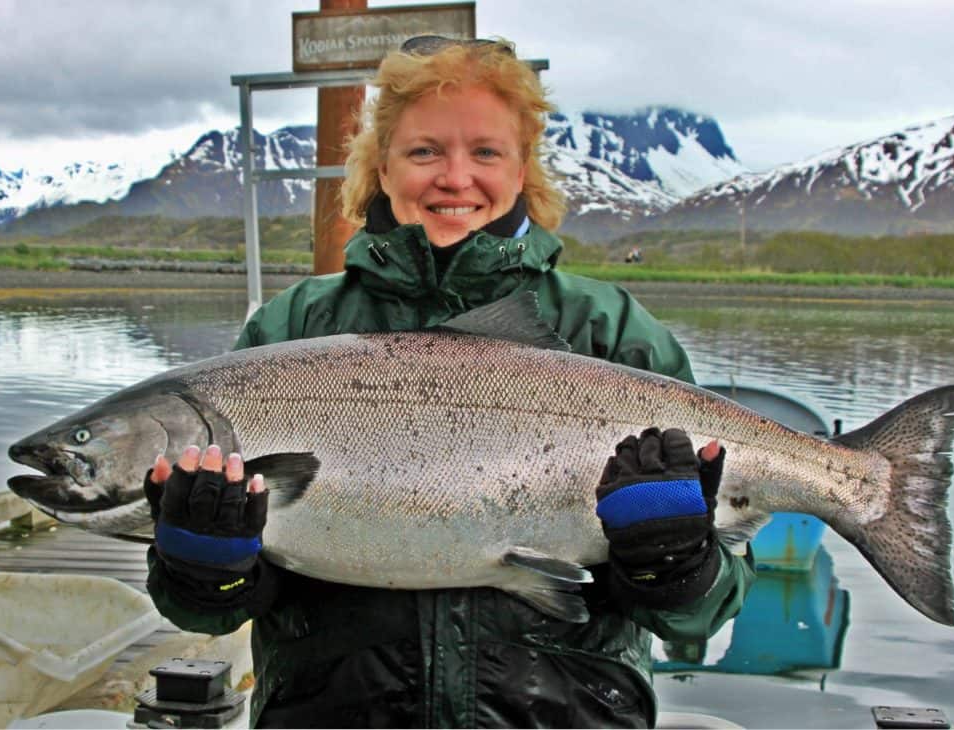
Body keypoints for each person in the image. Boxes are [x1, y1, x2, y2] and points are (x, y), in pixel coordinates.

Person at [144, 36, 755, 728]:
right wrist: (204, 567)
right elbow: (206, 605)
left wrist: (675, 564)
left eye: (485, 152)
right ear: (381, 165)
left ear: (524, 169)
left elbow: (707, 610)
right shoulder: (291, 330)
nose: (455, 177)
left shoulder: (610, 332)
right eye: (425, 151)